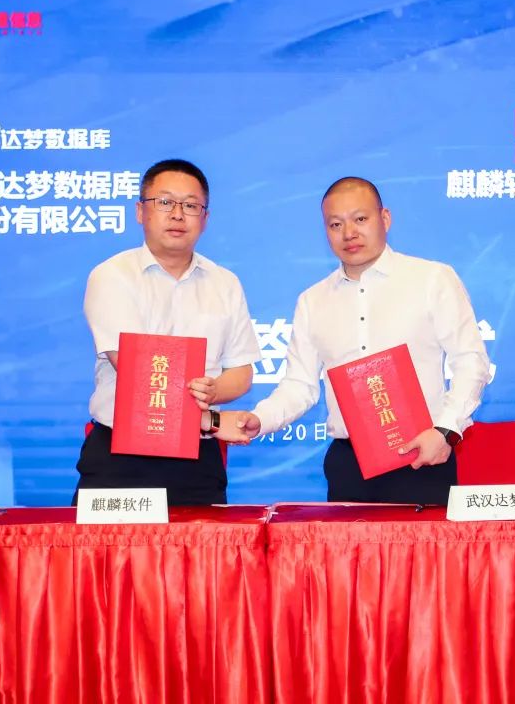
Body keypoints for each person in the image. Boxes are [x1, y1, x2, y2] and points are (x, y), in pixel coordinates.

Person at [216, 177, 490, 504]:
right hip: (348, 464)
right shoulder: (313, 300)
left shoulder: (432, 279)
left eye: (360, 219)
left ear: (385, 218)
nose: (349, 233)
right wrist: (259, 419)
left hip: (424, 456)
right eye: (336, 224)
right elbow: (300, 386)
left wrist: (446, 431)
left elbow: (471, 361)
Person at [74, 159, 260, 505]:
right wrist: (210, 420)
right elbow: (136, 373)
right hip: (122, 459)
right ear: (140, 211)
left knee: (205, 543)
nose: (177, 214)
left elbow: (242, 371)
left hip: (198, 463)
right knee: (110, 545)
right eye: (164, 202)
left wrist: (215, 389)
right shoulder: (112, 276)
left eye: (190, 205)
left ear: (205, 218)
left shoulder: (225, 283)